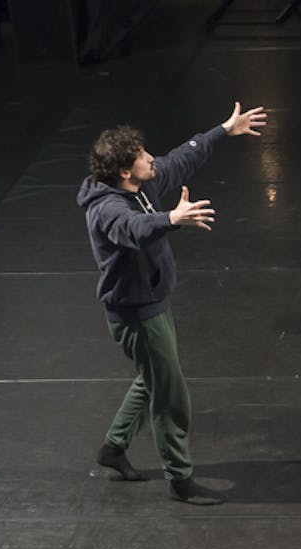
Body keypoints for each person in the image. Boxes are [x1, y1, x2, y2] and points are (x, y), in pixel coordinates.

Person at [78, 101, 267, 505]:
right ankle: (180, 478)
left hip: (153, 303)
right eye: (142, 156)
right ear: (124, 172)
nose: (151, 158)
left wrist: (223, 130)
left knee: (154, 379)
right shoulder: (107, 209)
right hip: (136, 314)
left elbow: (181, 158)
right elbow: (133, 228)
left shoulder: (142, 183)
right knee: (171, 394)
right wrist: (171, 219)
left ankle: (114, 447)